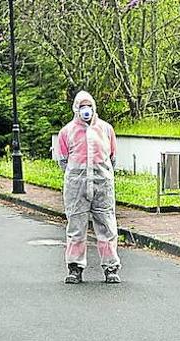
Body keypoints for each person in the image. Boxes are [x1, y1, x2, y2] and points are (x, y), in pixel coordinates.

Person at [57, 90, 121, 285]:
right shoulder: (67, 132)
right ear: (76, 109)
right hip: (76, 187)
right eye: (82, 106)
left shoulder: (106, 129)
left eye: (89, 106)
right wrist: (77, 177)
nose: (86, 110)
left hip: (103, 186)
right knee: (76, 227)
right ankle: (75, 268)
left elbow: (112, 158)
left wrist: (103, 176)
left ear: (94, 107)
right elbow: (63, 160)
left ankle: (111, 268)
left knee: (107, 226)